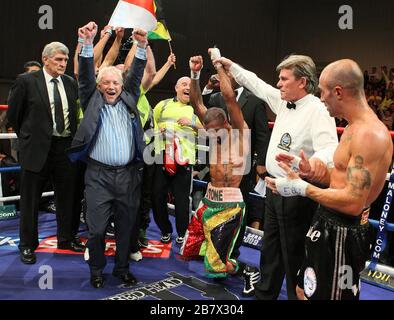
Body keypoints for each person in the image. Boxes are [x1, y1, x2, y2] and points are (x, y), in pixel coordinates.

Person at [213, 54, 339, 299]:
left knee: (293, 252)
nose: (279, 84)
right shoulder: (283, 101)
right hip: (273, 188)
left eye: (284, 79)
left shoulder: (317, 110)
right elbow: (256, 83)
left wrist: (312, 163)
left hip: (296, 191)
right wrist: (232, 66)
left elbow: (330, 147)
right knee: (270, 248)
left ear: (302, 82)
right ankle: (264, 295)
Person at [265, 59, 393, 300]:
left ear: (338, 92)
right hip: (326, 221)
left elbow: (354, 201)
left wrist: (301, 188)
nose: (320, 98)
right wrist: (309, 171)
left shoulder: (369, 135)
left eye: (323, 91)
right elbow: (339, 177)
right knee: (304, 291)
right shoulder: (353, 128)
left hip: (344, 230)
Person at [67, 22, 147, 289]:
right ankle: (97, 270)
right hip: (98, 176)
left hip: (127, 176)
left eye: (116, 82)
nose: (112, 86)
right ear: (100, 86)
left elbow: (135, 75)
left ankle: (122, 269)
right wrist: (87, 44)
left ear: (121, 86)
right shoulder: (91, 98)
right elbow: (86, 76)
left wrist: (143, 46)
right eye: (107, 82)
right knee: (98, 229)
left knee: (126, 229)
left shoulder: (130, 97)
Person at [7, 41, 83, 265]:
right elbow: (14, 115)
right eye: (58, 59)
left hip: (65, 148)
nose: (63, 64)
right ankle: (28, 245)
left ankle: (66, 238)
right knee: (30, 200)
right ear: (45, 59)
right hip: (36, 148)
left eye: (66, 60)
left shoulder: (70, 83)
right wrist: (30, 138)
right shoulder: (26, 81)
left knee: (68, 196)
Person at [181, 52, 251, 281]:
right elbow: (196, 102)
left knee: (216, 264)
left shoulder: (241, 134)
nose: (210, 136)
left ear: (226, 124)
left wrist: (219, 65)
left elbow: (230, 98)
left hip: (229, 206)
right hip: (209, 200)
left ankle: (247, 272)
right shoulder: (215, 132)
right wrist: (195, 73)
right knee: (189, 247)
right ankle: (219, 259)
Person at [151, 75, 203, 246]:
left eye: (190, 85)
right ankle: (165, 230)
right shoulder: (162, 105)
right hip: (161, 158)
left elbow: (208, 132)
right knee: (157, 196)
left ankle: (182, 233)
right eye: (183, 84)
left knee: (182, 200)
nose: (187, 87)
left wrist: (193, 124)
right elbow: (152, 124)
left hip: (185, 160)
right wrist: (159, 130)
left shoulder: (197, 109)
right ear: (176, 87)